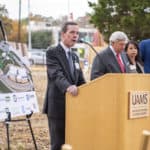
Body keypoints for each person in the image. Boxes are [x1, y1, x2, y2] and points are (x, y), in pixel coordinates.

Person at [43, 21, 85, 150]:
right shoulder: (52, 52)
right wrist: (68, 86)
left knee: (70, 142)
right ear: (63, 34)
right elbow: (56, 74)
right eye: (72, 32)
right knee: (58, 143)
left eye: (77, 33)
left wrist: (90, 89)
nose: (75, 36)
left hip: (73, 106)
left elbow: (81, 80)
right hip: (58, 106)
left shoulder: (74, 56)